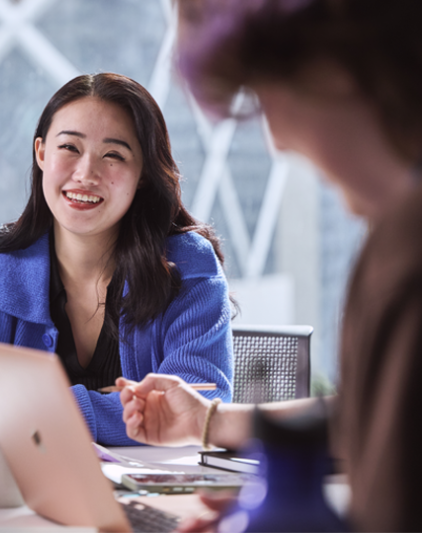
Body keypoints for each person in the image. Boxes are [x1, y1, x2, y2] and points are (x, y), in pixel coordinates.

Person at [118, 0, 422, 531]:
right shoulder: (391, 241)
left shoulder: (406, 255)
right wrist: (207, 422)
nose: (275, 139)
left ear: (332, 70)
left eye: (264, 96)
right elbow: (373, 426)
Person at [0, 73, 234, 447]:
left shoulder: (188, 268)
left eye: (113, 155)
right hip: (21, 500)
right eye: (69, 148)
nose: (85, 174)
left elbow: (196, 403)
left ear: (142, 174)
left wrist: (18, 413)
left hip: (153, 498)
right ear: (41, 153)